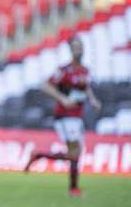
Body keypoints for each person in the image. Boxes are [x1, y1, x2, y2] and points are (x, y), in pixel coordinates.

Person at [24, 37, 101, 196]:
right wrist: (62, 99)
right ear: (70, 50)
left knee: (75, 152)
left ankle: (39, 155)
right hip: (65, 116)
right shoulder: (65, 70)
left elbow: (85, 87)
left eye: (80, 46)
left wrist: (92, 100)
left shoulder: (85, 70)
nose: (78, 50)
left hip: (77, 115)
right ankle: (73, 188)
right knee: (75, 152)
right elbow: (45, 85)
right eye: (75, 47)